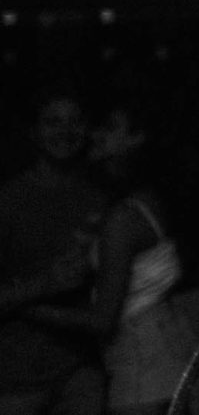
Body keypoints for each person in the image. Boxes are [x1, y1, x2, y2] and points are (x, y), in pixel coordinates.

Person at [18, 92, 199, 415]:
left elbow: (103, 321)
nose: (95, 133)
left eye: (110, 127)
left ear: (136, 139)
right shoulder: (141, 199)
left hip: (141, 365)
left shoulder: (124, 217)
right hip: (163, 351)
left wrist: (27, 307)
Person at [0, 89, 110, 415]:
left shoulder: (99, 196)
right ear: (34, 132)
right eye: (53, 122)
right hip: (14, 377)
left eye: (74, 121)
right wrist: (47, 283)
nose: (65, 131)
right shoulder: (9, 201)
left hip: (81, 372)